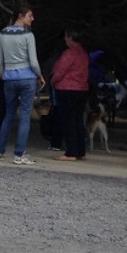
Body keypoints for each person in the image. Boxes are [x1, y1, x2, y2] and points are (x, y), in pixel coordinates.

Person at [0, 5, 44, 165]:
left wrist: (5, 74)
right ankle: (19, 154)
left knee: (8, 114)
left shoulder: (2, 33)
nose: (32, 19)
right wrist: (39, 75)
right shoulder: (28, 35)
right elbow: (34, 61)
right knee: (24, 115)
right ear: (21, 16)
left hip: (9, 77)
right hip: (27, 77)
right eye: (30, 15)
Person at [50, 30, 89, 162]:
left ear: (71, 38)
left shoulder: (69, 53)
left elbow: (60, 70)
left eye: (66, 37)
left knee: (68, 120)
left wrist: (53, 81)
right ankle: (80, 150)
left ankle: (71, 152)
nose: (65, 40)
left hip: (67, 88)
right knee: (78, 120)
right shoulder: (84, 53)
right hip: (82, 89)